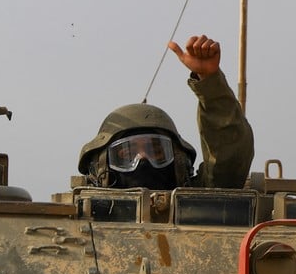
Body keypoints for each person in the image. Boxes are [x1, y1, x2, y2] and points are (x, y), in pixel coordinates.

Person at [77, 34, 253, 190]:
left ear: (177, 160)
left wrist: (209, 82)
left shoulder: (199, 202)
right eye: (127, 154)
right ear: (102, 167)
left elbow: (227, 162)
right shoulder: (86, 213)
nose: (143, 159)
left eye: (157, 152)